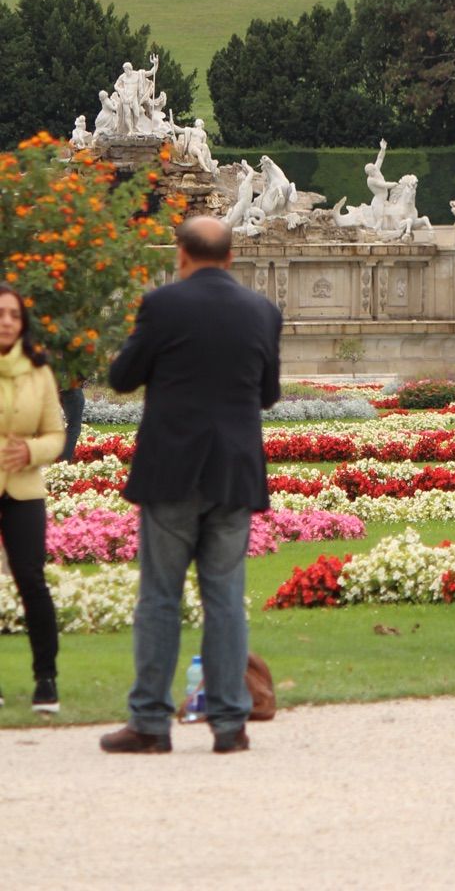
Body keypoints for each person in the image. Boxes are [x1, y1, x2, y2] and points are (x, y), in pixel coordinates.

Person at [99, 216, 282, 755]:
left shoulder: (162, 306)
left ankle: (151, 722)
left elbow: (122, 378)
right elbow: (267, 394)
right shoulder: (262, 312)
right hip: (233, 471)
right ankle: (230, 724)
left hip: (171, 471)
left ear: (181, 253)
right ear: (230, 257)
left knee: (159, 597)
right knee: (224, 598)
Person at [0, 285, 65, 714]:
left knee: (32, 581)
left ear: (22, 324)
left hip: (23, 490)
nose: (6, 321)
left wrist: (31, 452)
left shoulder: (39, 372)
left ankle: (46, 679)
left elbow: (56, 435)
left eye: (13, 315)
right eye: (0, 313)